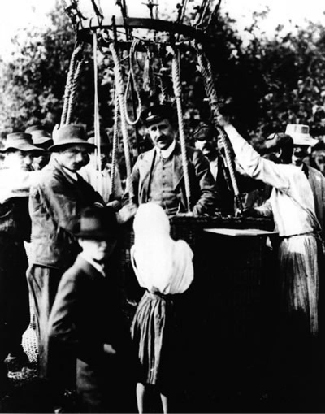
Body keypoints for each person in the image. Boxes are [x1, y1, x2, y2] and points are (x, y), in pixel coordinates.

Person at [218, 115, 321, 399]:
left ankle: (303, 379)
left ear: (278, 154)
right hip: (293, 243)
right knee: (293, 310)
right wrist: (254, 212)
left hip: (299, 245)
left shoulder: (290, 173)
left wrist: (230, 129)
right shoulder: (289, 177)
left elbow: (252, 164)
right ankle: (297, 371)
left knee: (301, 311)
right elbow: (278, 207)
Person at [28, 124, 105, 405]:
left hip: (66, 262)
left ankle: (68, 388)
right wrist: (109, 215)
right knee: (53, 330)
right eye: (74, 151)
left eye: (84, 151)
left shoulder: (72, 177)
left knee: (71, 324)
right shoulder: (51, 179)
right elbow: (74, 221)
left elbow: (96, 201)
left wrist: (100, 209)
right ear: (58, 152)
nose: (81, 157)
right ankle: (51, 397)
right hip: (50, 264)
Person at [47, 206, 135, 413]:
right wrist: (97, 348)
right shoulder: (76, 276)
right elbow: (58, 328)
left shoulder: (105, 269)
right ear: (81, 241)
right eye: (96, 240)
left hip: (113, 368)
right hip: (93, 375)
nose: (103, 245)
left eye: (109, 239)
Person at [130, 202, 194, 414]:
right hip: (168, 308)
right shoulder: (181, 249)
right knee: (164, 367)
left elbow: (146, 278)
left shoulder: (142, 251)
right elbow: (185, 282)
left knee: (145, 364)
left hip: (150, 306)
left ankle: (143, 411)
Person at [0, 132, 42, 393]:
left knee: (17, 313)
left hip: (14, 251)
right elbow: (30, 181)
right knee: (6, 311)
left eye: (30, 154)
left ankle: (8, 362)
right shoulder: (6, 177)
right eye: (22, 154)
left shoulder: (24, 177)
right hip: (1, 250)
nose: (28, 159)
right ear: (9, 156)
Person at [121, 105, 216, 219]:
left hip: (184, 225)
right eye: (153, 129)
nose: (159, 134)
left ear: (174, 128)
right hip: (151, 224)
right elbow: (128, 196)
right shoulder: (142, 161)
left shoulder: (193, 156)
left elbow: (210, 192)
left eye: (163, 127)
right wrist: (137, 212)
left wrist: (193, 214)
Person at [79, 129, 123, 207]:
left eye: (105, 151)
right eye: (98, 152)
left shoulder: (112, 170)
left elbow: (119, 197)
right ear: (89, 153)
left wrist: (116, 203)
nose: (102, 155)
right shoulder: (83, 173)